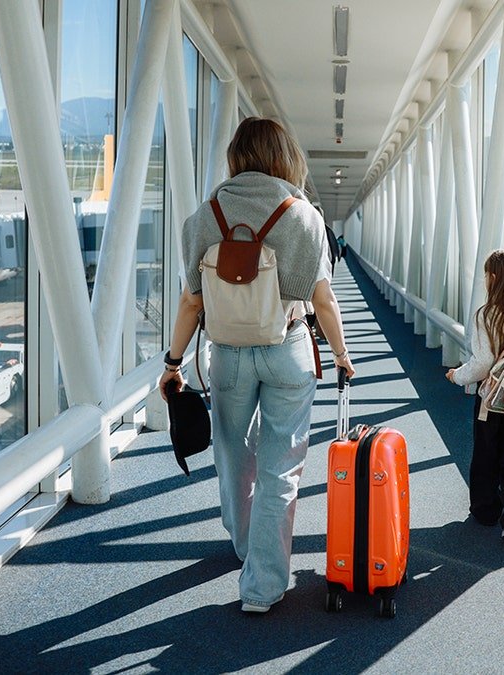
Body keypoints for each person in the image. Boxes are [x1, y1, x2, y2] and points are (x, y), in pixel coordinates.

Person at [159, 117, 355, 613]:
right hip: (287, 346)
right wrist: (340, 354)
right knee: (280, 467)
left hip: (226, 354)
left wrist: (173, 362)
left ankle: (246, 544)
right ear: (285, 156)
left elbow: (190, 303)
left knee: (232, 452)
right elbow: (323, 300)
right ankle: (263, 586)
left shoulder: (203, 217)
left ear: (235, 157)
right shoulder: (304, 216)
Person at [444, 248, 504, 542]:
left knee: (486, 453)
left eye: (487, 274)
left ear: (495, 277)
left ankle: (485, 510)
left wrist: (456, 375)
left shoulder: (486, 315)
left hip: (492, 400)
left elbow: (483, 363)